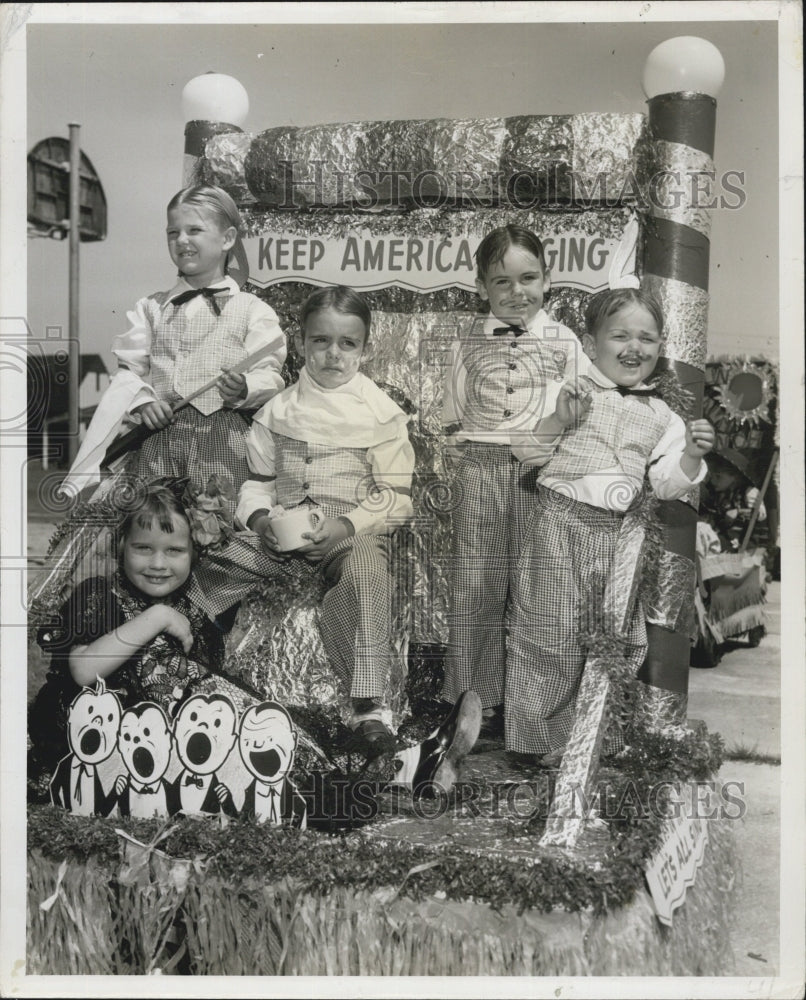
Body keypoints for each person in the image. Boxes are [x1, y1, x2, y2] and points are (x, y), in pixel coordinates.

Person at [193, 285, 417, 758]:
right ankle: (184, 653)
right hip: (283, 532)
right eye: (321, 341)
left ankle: (367, 708)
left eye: (347, 343)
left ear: (365, 348)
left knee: (366, 575)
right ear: (300, 344)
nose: (333, 354)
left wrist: (346, 527)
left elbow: (394, 495)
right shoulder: (277, 411)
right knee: (215, 557)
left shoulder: (381, 416)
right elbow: (257, 482)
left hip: (348, 534)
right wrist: (259, 523)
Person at [507, 287, 715, 762]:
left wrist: (690, 455)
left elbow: (665, 485)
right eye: (619, 335)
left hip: (620, 540)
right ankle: (537, 741)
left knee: (614, 638)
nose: (634, 347)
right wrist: (558, 420)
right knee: (547, 631)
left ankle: (599, 739)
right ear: (590, 341)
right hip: (557, 528)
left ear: (660, 348)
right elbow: (524, 451)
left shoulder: (664, 416)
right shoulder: (571, 389)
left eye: (647, 338)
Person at [440, 224, 588, 738]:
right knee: (477, 589)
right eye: (501, 282)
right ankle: (473, 710)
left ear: (547, 281)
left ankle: (534, 717)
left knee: (537, 590)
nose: (515, 292)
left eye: (528, 278)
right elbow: (453, 409)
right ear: (481, 286)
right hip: (480, 469)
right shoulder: (467, 342)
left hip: (540, 474)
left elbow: (582, 407)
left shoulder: (564, 341)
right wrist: (459, 439)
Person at [61, 184, 286, 507]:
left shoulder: (253, 309)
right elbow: (128, 372)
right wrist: (141, 401)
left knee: (216, 524)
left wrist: (245, 388)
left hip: (222, 443)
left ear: (227, 239)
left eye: (194, 230)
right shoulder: (150, 307)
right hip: (159, 441)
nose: (181, 240)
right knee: (156, 522)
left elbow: (271, 375)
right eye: (172, 232)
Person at [29, 479, 236, 783]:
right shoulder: (99, 596)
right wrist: (156, 618)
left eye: (174, 550)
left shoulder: (195, 614)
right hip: (89, 741)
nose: (158, 563)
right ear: (121, 546)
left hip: (157, 746)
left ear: (195, 554)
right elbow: (84, 671)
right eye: (143, 548)